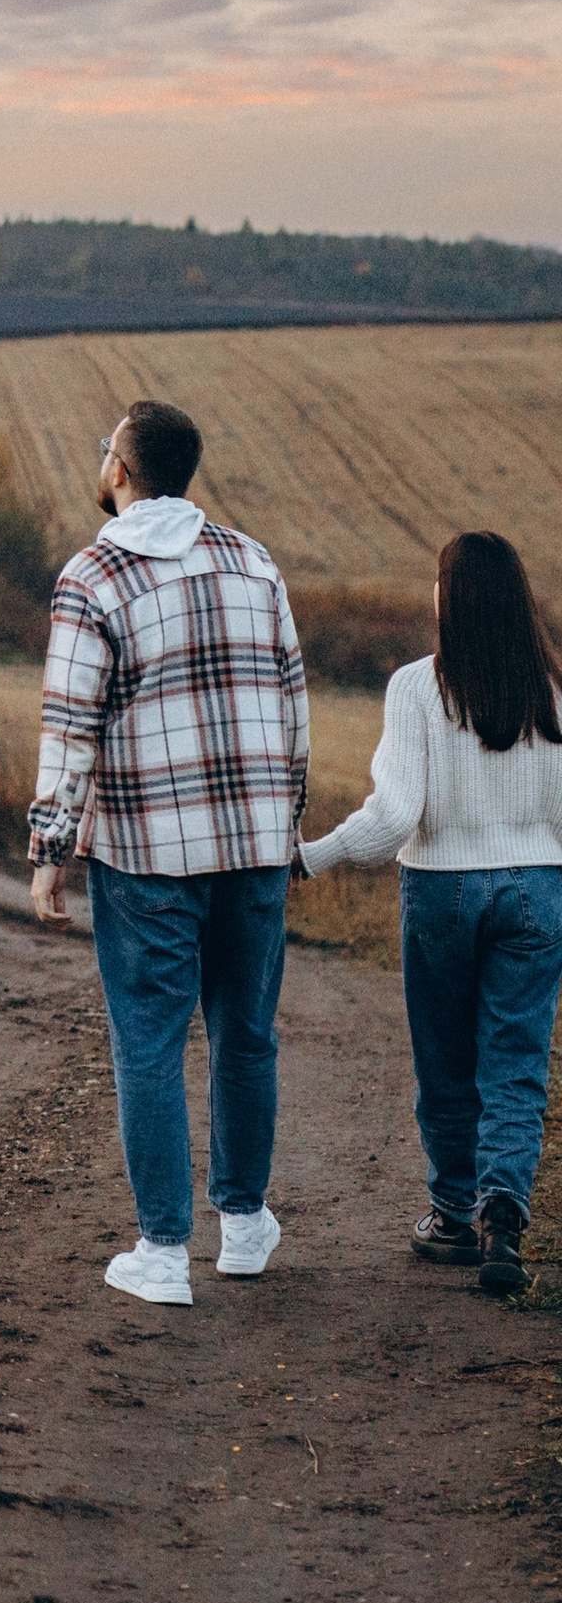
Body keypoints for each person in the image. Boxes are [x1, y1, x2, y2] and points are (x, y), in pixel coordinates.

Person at [28, 400, 308, 1307]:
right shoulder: (253, 561)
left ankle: (161, 1252)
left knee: (148, 1043)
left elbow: (70, 727)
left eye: (104, 446)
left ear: (121, 470)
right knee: (246, 1034)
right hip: (256, 843)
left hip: (148, 850)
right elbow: (293, 704)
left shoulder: (93, 575)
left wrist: (50, 847)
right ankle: (244, 1226)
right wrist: (284, 822)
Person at [297, 531, 562, 1298]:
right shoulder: (552, 692)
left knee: (447, 1063)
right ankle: (503, 1217)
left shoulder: (418, 688)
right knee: (517, 1066)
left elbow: (394, 816)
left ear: (449, 598)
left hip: (444, 889)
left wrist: (314, 855)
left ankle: (452, 1215)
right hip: (539, 889)